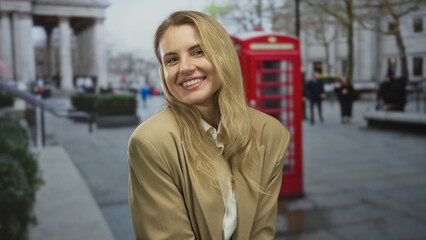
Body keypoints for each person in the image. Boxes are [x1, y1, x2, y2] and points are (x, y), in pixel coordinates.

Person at [127, 11, 291, 240]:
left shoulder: (271, 134)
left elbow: (261, 232)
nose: (185, 67)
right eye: (172, 59)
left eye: (198, 52)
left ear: (223, 56)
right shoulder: (151, 142)